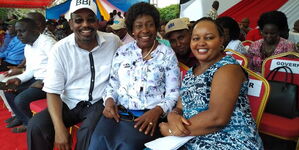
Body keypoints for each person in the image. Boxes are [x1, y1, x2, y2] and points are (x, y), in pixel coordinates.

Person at [26, 0, 121, 149]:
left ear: (97, 22)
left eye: (90, 19)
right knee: (36, 126)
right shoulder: (59, 49)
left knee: (88, 133)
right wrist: (59, 129)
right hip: (69, 102)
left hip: (99, 101)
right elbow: (52, 91)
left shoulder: (113, 41)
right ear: (70, 23)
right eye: (78, 20)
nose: (85, 24)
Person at [159, 17, 263, 150]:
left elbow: (217, 118)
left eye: (208, 38)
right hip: (192, 138)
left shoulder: (228, 68)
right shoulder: (191, 72)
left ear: (221, 41)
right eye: (196, 39)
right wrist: (173, 115)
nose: (201, 43)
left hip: (229, 141)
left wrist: (172, 130)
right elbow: (180, 107)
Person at [88, 2, 180, 150]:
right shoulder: (122, 52)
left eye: (150, 24)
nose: (145, 30)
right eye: (139, 26)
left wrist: (157, 111)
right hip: (118, 114)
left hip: (147, 118)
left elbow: (173, 93)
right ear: (132, 30)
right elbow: (113, 83)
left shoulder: (167, 54)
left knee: (127, 146)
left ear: (156, 26)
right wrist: (109, 101)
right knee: (98, 140)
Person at [4, 18, 56, 133]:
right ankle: (21, 118)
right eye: (17, 32)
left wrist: (45, 82)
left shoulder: (48, 43)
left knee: (20, 99)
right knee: (8, 90)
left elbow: (60, 67)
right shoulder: (28, 47)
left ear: (34, 30)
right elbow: (31, 70)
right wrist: (19, 79)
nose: (18, 35)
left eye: (22, 31)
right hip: (36, 79)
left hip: (50, 82)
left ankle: (29, 124)